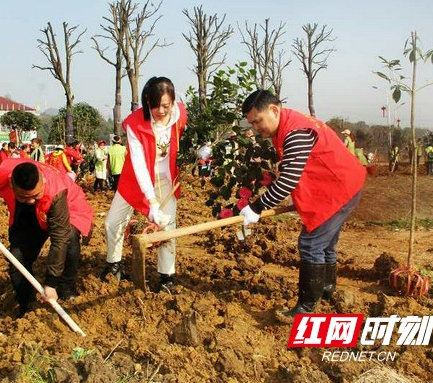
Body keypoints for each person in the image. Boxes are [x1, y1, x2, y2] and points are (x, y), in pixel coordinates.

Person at [239, 90, 366, 319]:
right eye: (252, 123)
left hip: (338, 191)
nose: (256, 128)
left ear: (274, 110)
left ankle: (306, 306)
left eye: (257, 121)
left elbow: (287, 181)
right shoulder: (289, 124)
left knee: (310, 244)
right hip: (338, 185)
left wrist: (256, 208)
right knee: (324, 245)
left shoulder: (295, 132)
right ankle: (327, 290)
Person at [101, 76, 188, 292]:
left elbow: (183, 144)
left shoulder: (180, 115)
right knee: (112, 222)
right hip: (135, 181)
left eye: (165, 106)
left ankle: (167, 276)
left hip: (166, 180)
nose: (160, 111)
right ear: (147, 102)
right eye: (155, 105)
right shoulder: (135, 123)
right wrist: (151, 202)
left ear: (173, 102)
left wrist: (197, 152)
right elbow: (139, 164)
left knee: (168, 227)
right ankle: (114, 264)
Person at [0, 159, 93, 316]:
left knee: (69, 238)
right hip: (29, 216)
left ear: (42, 181)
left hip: (69, 207)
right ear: (11, 184)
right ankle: (27, 305)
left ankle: (66, 286)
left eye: (35, 195)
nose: (30, 200)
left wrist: (51, 282)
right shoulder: (4, 173)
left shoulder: (56, 190)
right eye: (23, 197)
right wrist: (28, 201)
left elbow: (59, 238)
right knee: (17, 258)